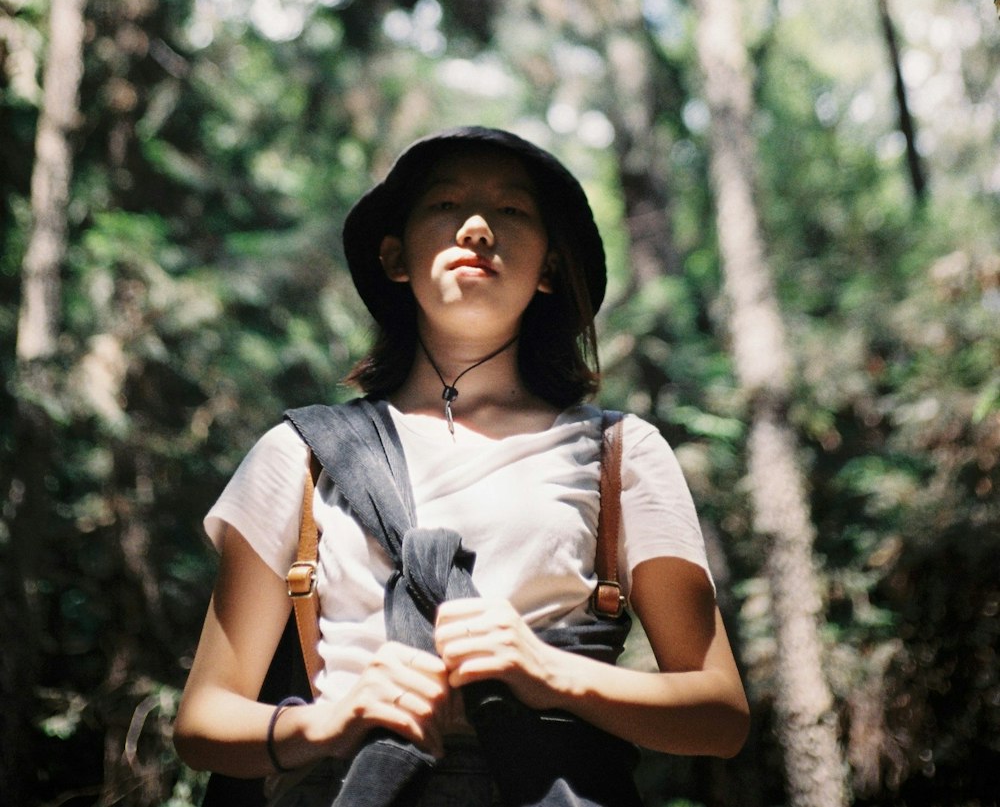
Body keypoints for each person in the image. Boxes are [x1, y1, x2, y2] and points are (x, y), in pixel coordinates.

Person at [175, 126, 749, 805]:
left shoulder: (623, 453)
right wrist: (325, 721)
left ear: (548, 269)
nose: (476, 227)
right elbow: (202, 719)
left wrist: (547, 670)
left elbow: (719, 713)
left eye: (512, 211)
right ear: (395, 256)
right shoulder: (299, 453)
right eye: (445, 205)